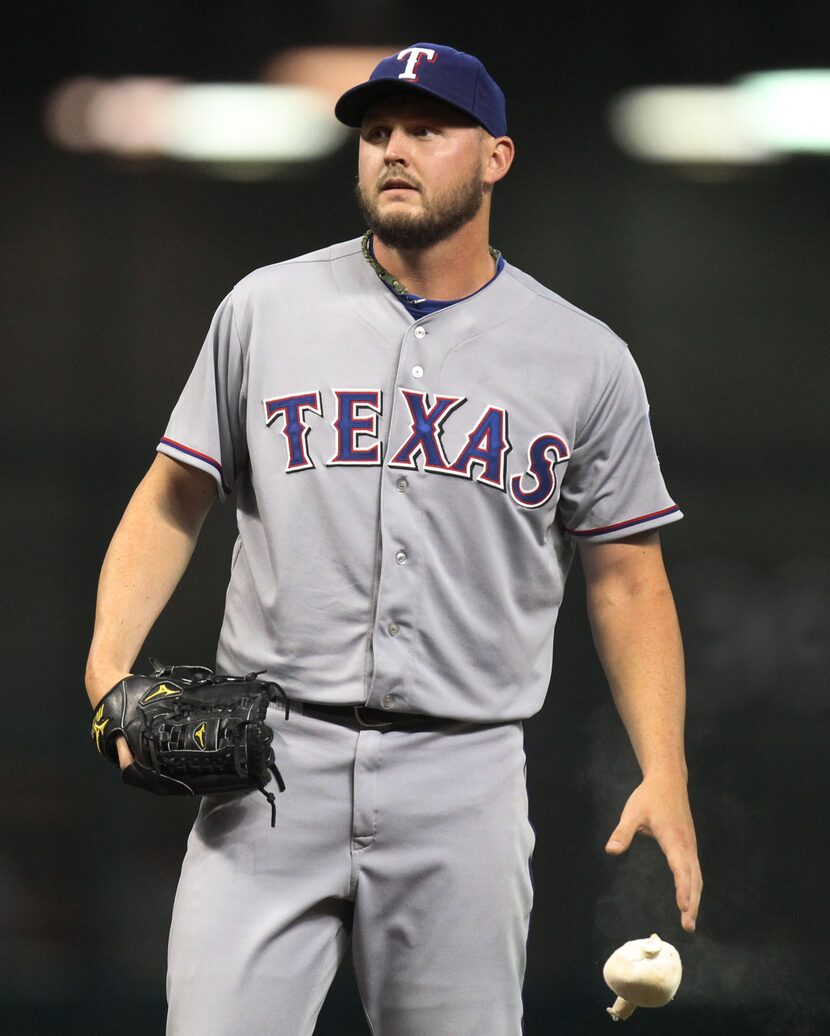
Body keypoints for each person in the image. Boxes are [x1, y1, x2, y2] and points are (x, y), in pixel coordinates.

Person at [85, 42, 701, 1036]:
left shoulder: (583, 357)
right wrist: (107, 673)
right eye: (375, 133)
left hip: (463, 778)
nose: (394, 150)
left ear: (495, 156)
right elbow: (171, 499)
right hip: (269, 768)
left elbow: (627, 580)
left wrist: (662, 770)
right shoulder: (264, 309)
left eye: (426, 130)